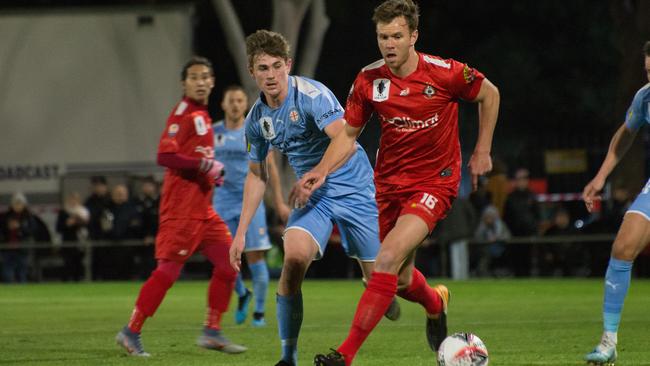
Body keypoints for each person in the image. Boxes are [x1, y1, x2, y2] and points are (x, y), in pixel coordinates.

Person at [295, 1, 500, 364]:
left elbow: (490, 93)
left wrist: (482, 150)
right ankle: (436, 302)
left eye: (396, 36)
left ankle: (344, 356)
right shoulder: (368, 80)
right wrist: (322, 169)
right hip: (389, 185)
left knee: (386, 259)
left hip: (435, 184)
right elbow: (348, 134)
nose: (389, 44)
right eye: (382, 37)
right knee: (400, 279)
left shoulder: (444, 73)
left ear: (413, 36)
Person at [228, 30, 399, 366]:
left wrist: (317, 173)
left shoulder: (312, 96)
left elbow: (345, 141)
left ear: (288, 65)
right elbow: (256, 174)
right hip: (314, 197)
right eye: (263, 68)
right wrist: (241, 232)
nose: (272, 75)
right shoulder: (257, 120)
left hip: (354, 189)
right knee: (293, 260)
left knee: (387, 288)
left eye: (277, 66)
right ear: (252, 72)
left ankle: (431, 298)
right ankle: (287, 357)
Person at [115, 56, 246, 357]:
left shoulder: (202, 114)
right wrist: (204, 165)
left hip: (204, 210)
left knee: (229, 264)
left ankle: (212, 331)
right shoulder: (183, 114)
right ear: (183, 83)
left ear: (212, 82)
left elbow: (196, 159)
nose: (200, 82)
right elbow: (165, 156)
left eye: (205, 77)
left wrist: (211, 173)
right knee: (168, 273)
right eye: (194, 77)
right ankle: (131, 330)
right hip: (181, 210)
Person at [582, 41, 650, 365]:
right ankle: (608, 341)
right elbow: (624, 137)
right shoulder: (645, 97)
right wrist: (600, 177)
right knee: (623, 247)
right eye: (649, 71)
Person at [212, 85, 290, 327]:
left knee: (255, 257)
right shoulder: (213, 133)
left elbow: (272, 167)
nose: (235, 105)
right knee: (223, 259)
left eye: (239, 100)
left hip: (251, 203)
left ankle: (258, 313)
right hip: (222, 202)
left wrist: (278, 201)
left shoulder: (256, 127)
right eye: (231, 100)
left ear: (245, 104)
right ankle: (243, 294)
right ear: (224, 105)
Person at [0, 192, 51, 283]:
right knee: (7, 273)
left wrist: (20, 227)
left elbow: (33, 231)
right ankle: (9, 293)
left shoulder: (29, 217)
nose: (18, 206)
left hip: (22, 248)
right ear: (12, 204)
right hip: (7, 248)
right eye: (16, 203)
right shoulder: (5, 216)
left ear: (24, 204)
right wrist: (7, 229)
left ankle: (22, 293)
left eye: (20, 203)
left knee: (22, 272)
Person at [55, 192, 89, 282]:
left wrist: (79, 222)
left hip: (79, 243)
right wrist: (67, 224)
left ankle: (78, 281)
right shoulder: (63, 213)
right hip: (67, 243)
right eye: (71, 199)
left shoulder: (83, 213)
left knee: (78, 263)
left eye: (75, 200)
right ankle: (65, 282)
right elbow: (58, 228)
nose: (73, 202)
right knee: (67, 263)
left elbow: (87, 227)